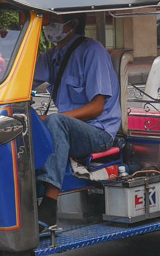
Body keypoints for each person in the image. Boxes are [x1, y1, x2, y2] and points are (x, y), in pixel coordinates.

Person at [33, 16, 121, 227]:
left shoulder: (93, 51)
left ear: (71, 24)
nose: (48, 27)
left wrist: (51, 119)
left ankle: (49, 204)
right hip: (68, 129)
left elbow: (97, 107)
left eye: (53, 21)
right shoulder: (54, 55)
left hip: (98, 133)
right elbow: (26, 76)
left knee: (55, 121)